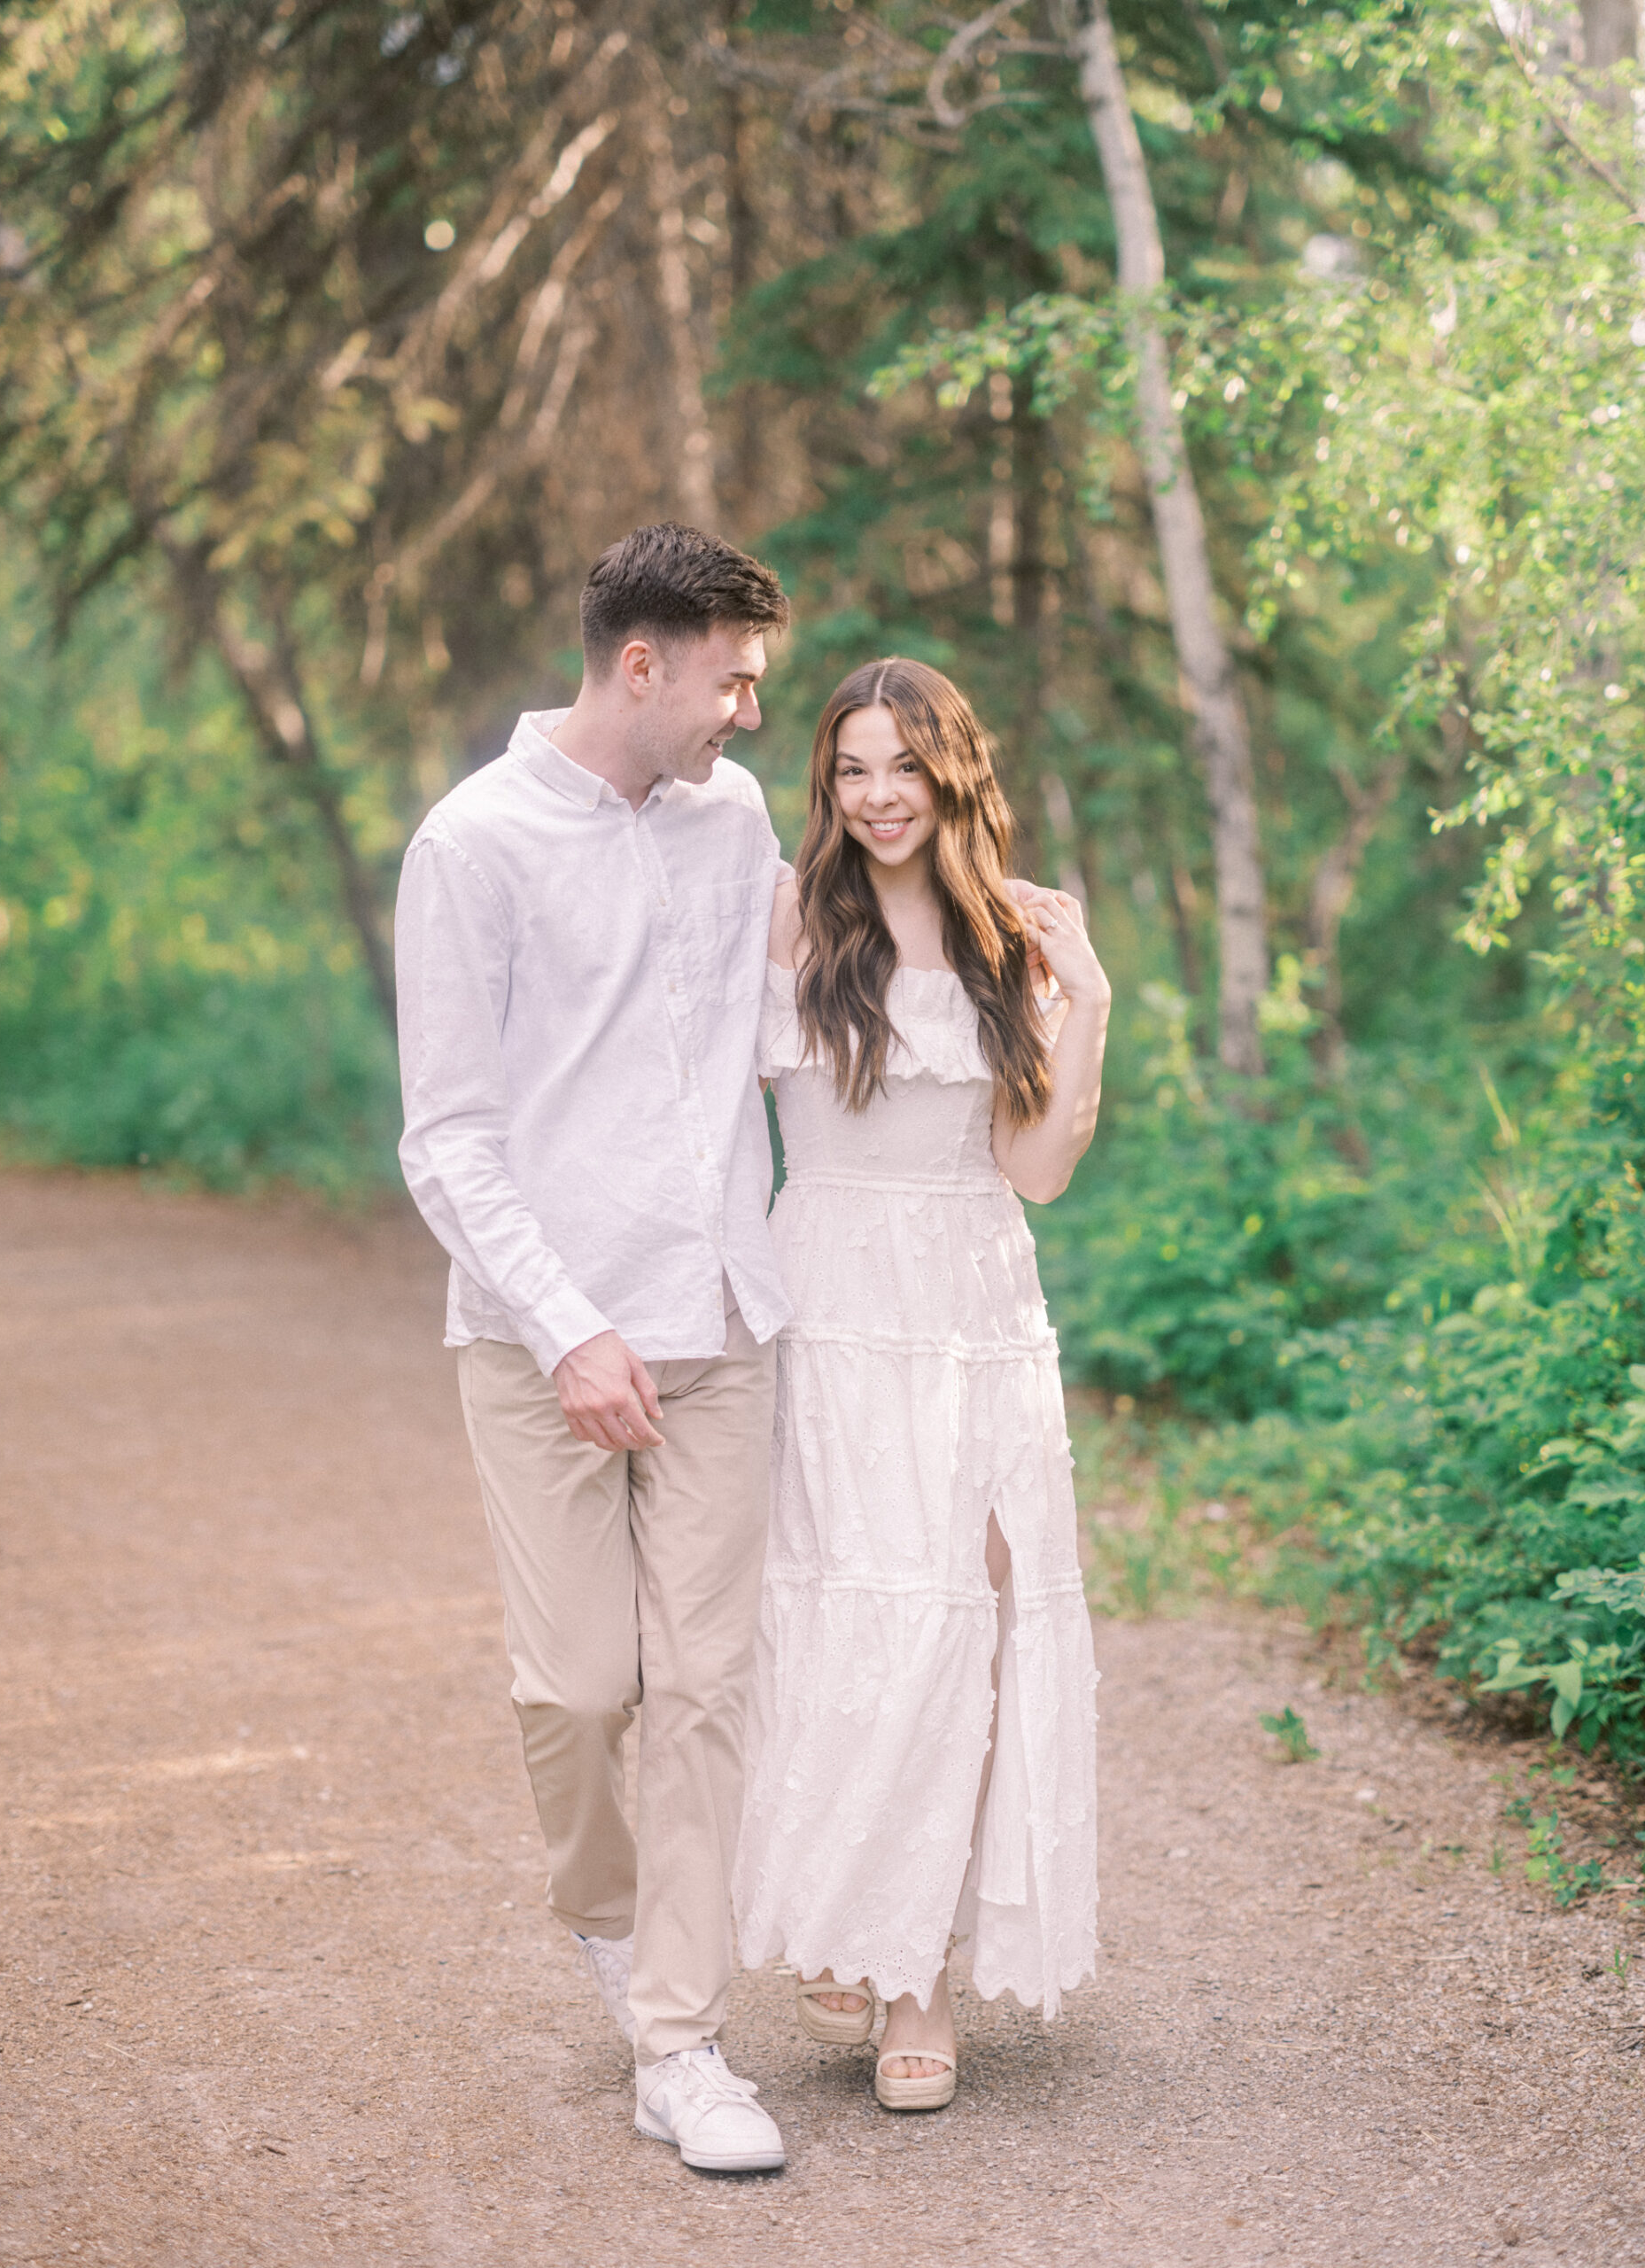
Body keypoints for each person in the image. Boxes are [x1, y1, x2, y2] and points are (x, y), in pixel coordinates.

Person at [394, 524, 796, 2173]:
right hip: (541, 1336)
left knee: (705, 1688)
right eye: (733, 681)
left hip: (722, 1322)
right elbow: (450, 1139)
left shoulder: (740, 817)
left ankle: (684, 2046)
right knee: (578, 1690)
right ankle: (616, 1920)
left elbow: (778, 1036)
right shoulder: (471, 844)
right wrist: (570, 1331)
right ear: (644, 662)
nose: (749, 716)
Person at [733, 656, 1110, 2111]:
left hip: (975, 1306)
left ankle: (915, 1954)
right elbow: (710, 1112)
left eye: (904, 768)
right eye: (852, 770)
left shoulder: (1014, 937)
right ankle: (884, 1954)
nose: (879, 797)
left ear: (954, 776)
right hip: (829, 1298)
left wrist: (1090, 1005)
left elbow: (1035, 1172)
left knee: (977, 1627)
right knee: (853, 1612)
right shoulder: (791, 918)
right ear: (827, 786)